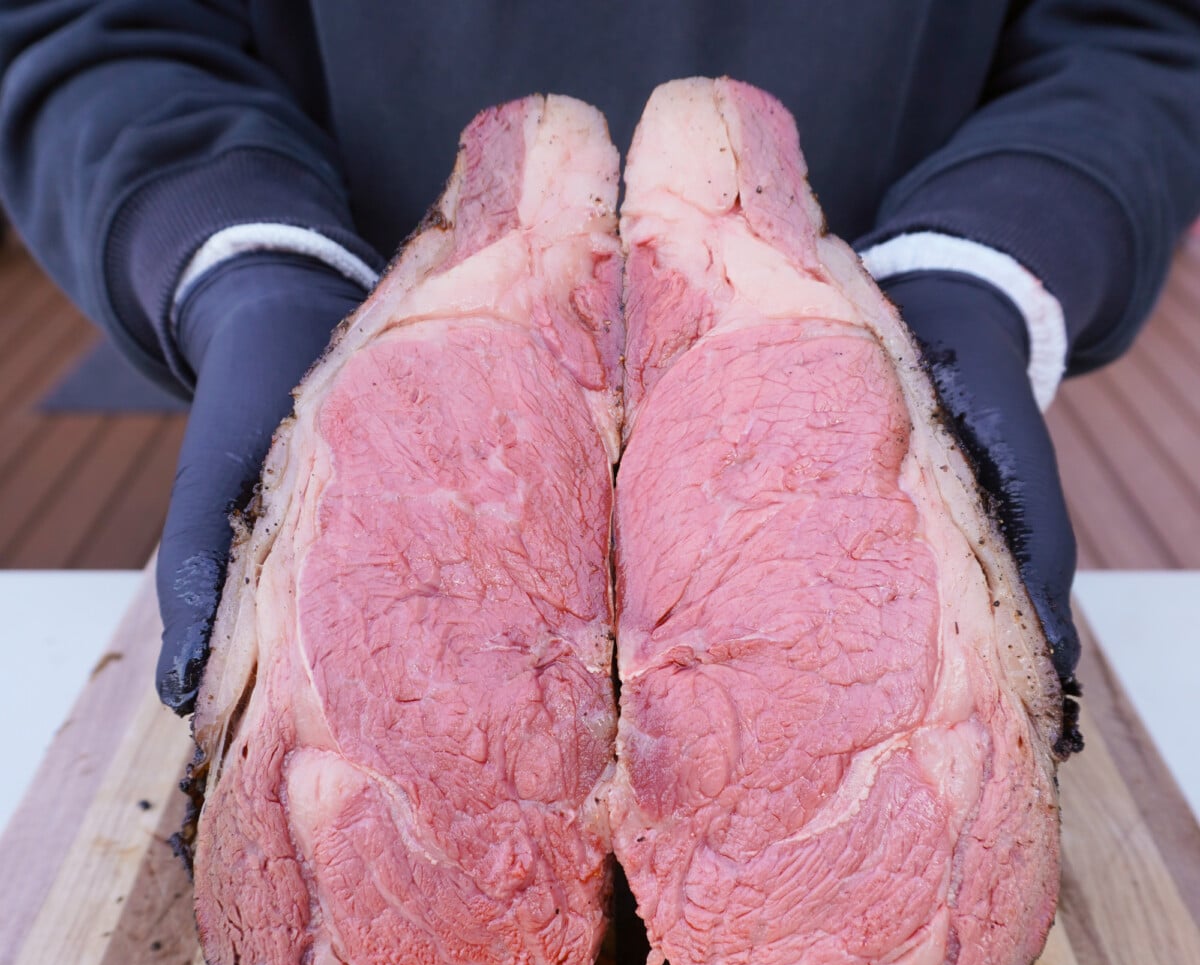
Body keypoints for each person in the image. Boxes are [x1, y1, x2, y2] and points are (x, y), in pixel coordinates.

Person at [2, 2, 1198, 716]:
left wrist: (984, 264)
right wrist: (247, 263)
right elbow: (96, 21)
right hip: (401, 436)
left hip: (840, 432)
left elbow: (1136, 33)